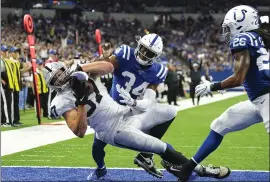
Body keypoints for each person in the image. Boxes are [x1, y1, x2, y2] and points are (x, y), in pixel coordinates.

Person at [43, 61, 228, 181]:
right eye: (56, 78)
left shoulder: (83, 74)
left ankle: (144, 156)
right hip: (114, 130)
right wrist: (82, 102)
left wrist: (82, 68)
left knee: (170, 110)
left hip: (126, 113)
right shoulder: (61, 100)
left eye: (60, 73)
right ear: (52, 84)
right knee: (162, 147)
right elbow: (80, 131)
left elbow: (108, 67)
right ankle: (198, 169)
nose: (61, 78)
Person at [162, 5, 270, 182]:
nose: (227, 32)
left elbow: (238, 78)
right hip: (257, 100)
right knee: (220, 124)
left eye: (229, 27)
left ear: (242, 24)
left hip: (267, 98)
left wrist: (212, 86)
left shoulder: (243, 39)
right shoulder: (258, 37)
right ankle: (187, 169)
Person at [91, 34, 175, 179]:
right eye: (143, 49)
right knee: (97, 146)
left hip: (134, 112)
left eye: (149, 53)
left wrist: (134, 102)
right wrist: (104, 59)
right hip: (112, 109)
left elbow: (148, 102)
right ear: (138, 45)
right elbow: (104, 67)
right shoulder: (124, 54)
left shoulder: (157, 71)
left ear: (155, 56)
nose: (143, 54)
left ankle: (147, 155)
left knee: (166, 115)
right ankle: (101, 168)